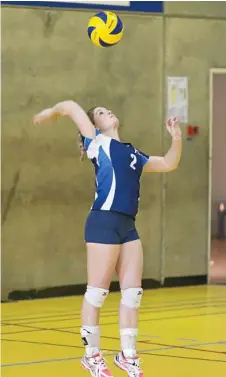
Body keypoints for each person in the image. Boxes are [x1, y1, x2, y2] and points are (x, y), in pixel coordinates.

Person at [33, 101, 182, 377]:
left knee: (133, 294)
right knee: (97, 292)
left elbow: (169, 163)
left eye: (107, 109)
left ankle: (128, 357)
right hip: (103, 222)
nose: (107, 112)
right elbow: (70, 107)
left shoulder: (133, 153)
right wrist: (50, 113)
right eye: (100, 113)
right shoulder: (96, 143)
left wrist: (176, 138)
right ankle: (91, 356)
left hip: (127, 225)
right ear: (94, 125)